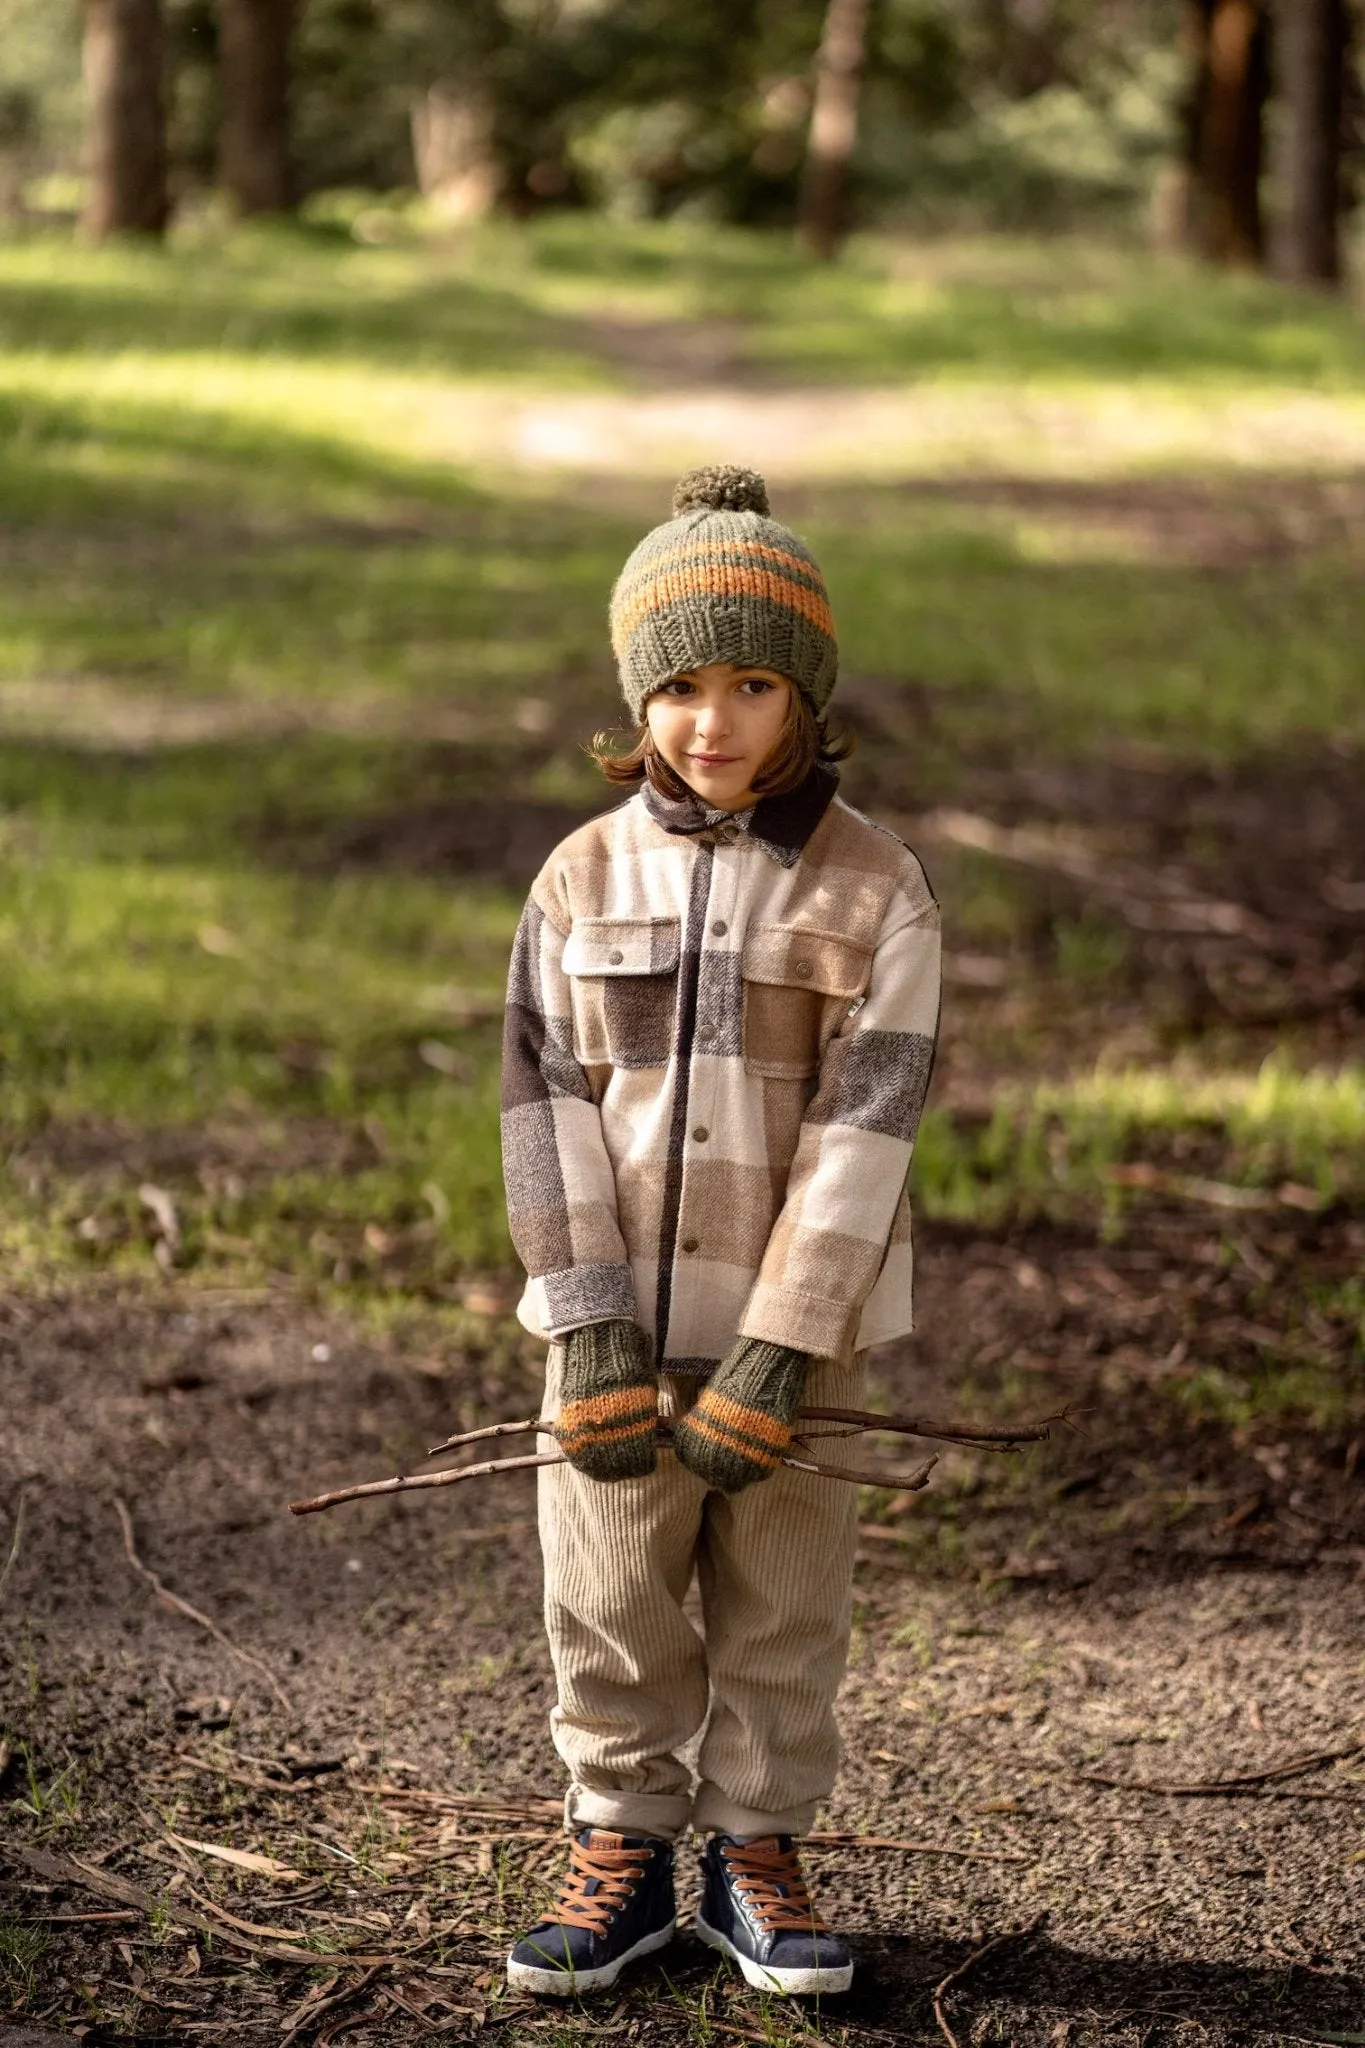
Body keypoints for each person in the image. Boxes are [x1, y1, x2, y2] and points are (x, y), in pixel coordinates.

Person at [499, 465, 941, 1999]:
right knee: (610, 1585)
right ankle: (620, 1841)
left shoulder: (877, 889)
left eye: (752, 683)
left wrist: (782, 1343)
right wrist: (589, 1315)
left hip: (801, 1339)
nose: (713, 720)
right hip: (611, 1328)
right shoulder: (578, 878)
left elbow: (865, 1136)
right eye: (680, 685)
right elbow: (542, 1104)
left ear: (806, 692)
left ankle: (757, 1843)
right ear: (638, 694)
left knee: (783, 1596)